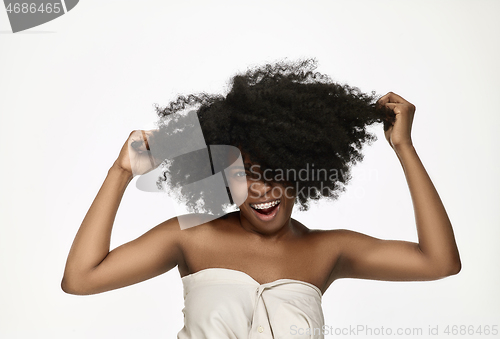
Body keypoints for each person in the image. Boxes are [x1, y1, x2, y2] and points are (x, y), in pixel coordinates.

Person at [61, 60, 461, 339]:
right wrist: (121, 173)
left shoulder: (327, 249)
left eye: (275, 172)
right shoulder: (191, 236)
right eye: (245, 173)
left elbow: (439, 262)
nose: (261, 190)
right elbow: (81, 279)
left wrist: (403, 147)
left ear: (301, 172)